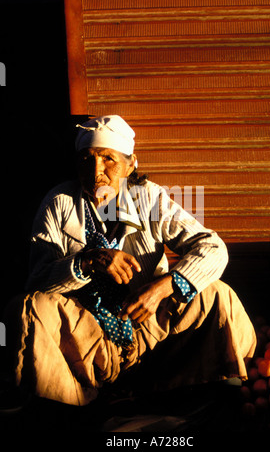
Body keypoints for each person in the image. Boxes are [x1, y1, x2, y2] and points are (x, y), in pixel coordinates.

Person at [7, 115, 256, 406]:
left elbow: (212, 247)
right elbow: (38, 280)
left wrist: (162, 289)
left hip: (148, 327)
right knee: (27, 307)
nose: (96, 170)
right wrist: (88, 261)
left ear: (130, 163)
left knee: (217, 295)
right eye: (86, 159)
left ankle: (220, 395)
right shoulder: (59, 202)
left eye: (107, 159)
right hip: (85, 338)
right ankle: (68, 408)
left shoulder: (148, 198)